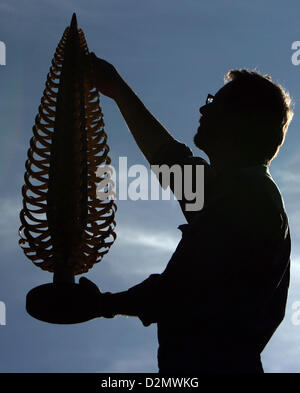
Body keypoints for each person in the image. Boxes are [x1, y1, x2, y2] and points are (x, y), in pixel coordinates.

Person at [80, 53, 293, 373]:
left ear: (241, 120)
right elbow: (169, 161)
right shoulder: (236, 189)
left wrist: (101, 304)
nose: (203, 109)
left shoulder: (251, 196)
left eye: (214, 103)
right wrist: (116, 88)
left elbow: (187, 288)